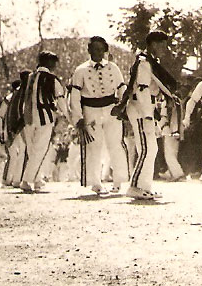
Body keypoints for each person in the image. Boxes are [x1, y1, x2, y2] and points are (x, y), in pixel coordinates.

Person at [112, 31, 179, 200]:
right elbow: (142, 89)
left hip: (146, 108)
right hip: (141, 109)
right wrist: (148, 114)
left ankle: (145, 187)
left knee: (151, 149)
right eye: (162, 45)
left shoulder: (150, 62)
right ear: (153, 44)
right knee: (145, 149)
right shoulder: (144, 63)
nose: (164, 49)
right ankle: (134, 186)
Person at [69, 36, 128, 195]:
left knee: (116, 144)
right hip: (91, 111)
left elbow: (122, 88)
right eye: (95, 49)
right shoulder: (81, 70)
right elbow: (75, 96)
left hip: (111, 110)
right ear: (89, 50)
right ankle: (95, 183)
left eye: (102, 49)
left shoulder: (113, 68)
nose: (99, 52)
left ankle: (118, 181)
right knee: (94, 147)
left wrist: (122, 107)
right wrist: (78, 117)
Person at [20, 51, 68, 193]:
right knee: (40, 150)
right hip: (44, 117)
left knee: (32, 149)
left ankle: (37, 179)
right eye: (53, 62)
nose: (55, 65)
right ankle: (26, 180)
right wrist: (67, 115)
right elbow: (60, 99)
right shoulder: (51, 78)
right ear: (48, 62)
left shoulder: (30, 77)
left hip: (28, 117)